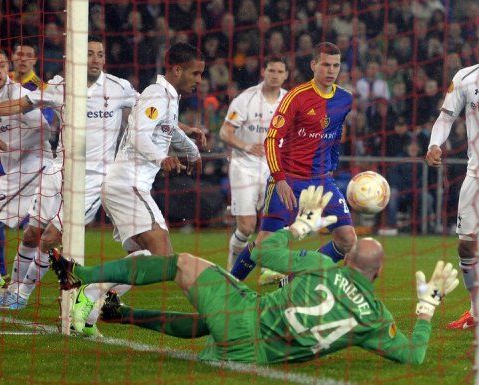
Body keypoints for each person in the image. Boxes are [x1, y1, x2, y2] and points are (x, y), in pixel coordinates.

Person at [49, 186, 459, 364]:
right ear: (380, 273)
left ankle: (81, 274)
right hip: (255, 354)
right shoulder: (377, 318)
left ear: (346, 259)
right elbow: (414, 355)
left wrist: (301, 226)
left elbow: (261, 250)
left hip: (246, 316)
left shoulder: (318, 264)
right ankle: (122, 315)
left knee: (182, 264)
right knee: (212, 321)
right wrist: (426, 308)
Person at [0, 37, 137, 327]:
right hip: (56, 171)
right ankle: (7, 289)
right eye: (88, 54)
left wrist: (175, 139)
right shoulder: (60, 86)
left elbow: (152, 113)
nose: (95, 59)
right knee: (32, 234)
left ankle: (18, 292)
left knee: (50, 238)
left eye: (100, 54)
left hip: (89, 178)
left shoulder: (119, 88)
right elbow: (22, 105)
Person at [68, 42, 204, 335]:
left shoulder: (169, 96)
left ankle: (90, 314)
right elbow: (140, 136)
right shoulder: (157, 94)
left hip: (126, 186)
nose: (199, 80)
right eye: (195, 73)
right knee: (161, 257)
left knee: (149, 260)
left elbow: (170, 130)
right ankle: (91, 292)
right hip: (127, 184)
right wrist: (161, 157)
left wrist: (193, 151)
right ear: (177, 69)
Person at [231, 42, 356, 283]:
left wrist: (332, 164)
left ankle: (294, 280)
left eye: (336, 66)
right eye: (325, 65)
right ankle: (229, 286)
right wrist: (279, 179)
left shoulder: (344, 99)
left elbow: (336, 132)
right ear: (313, 65)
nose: (331, 71)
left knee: (347, 239)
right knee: (263, 246)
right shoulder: (296, 97)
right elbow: (271, 139)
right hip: (289, 179)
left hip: (321, 181)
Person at [0, 46, 52, 306]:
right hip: (19, 170)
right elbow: (7, 134)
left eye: (3, 65)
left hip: (36, 166)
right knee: (34, 233)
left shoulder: (17, 93)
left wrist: (11, 146)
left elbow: (44, 130)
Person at [218, 57, 288, 278]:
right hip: (244, 167)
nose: (275, 74)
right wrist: (247, 146)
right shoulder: (246, 99)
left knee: (275, 227)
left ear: (286, 75)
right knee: (247, 227)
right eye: (271, 70)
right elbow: (225, 132)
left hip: (274, 170)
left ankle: (271, 273)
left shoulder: (289, 100)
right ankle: (232, 266)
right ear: (263, 71)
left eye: (280, 71)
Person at [425, 62, 479, 329]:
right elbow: (445, 118)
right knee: (466, 246)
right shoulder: (466, 77)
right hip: (476, 176)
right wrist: (434, 144)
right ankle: (476, 312)